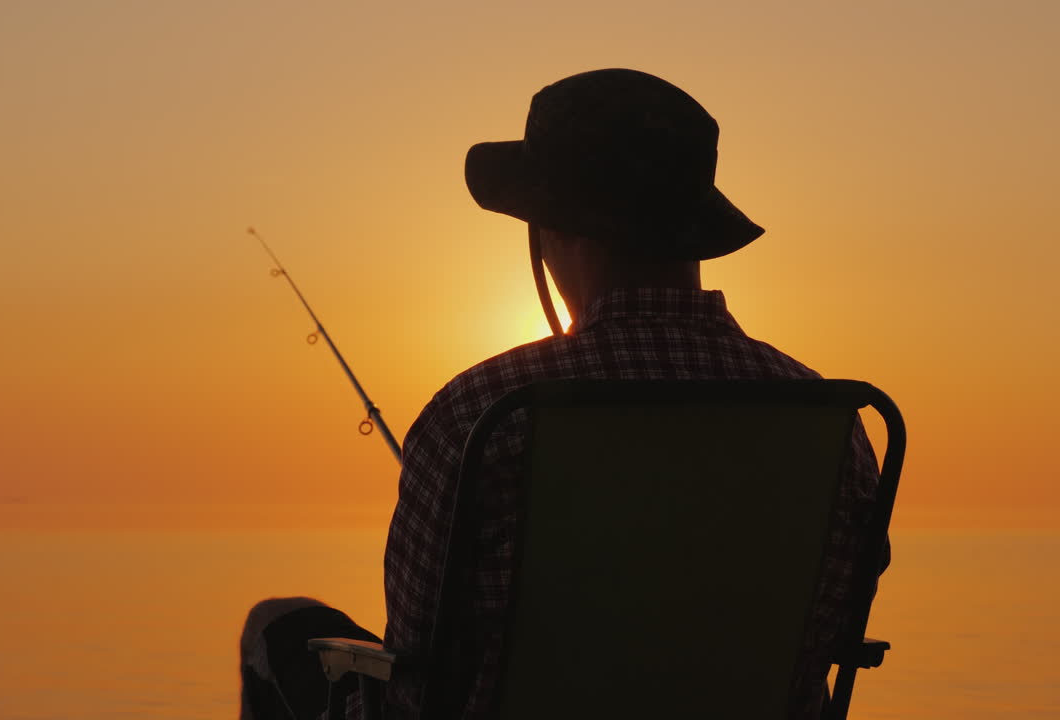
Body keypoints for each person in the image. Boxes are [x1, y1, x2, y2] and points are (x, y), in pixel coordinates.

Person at [239, 68, 884, 720]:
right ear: (696, 234)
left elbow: (417, 680)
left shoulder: (480, 416)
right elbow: (831, 642)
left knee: (276, 628)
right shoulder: (833, 425)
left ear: (553, 230)